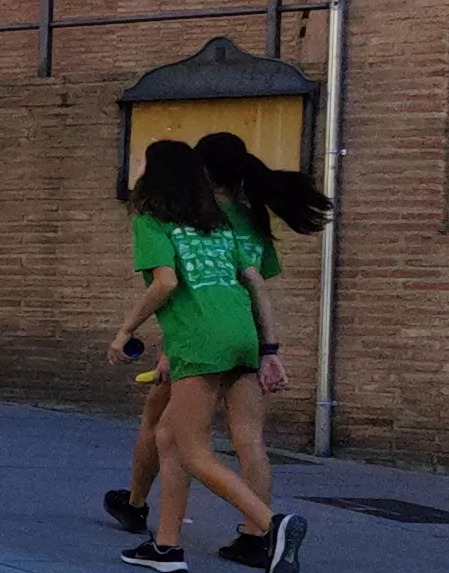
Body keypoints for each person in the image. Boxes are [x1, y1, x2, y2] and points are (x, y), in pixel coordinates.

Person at [105, 132, 324, 538]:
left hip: (197, 337)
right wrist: (269, 348)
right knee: (243, 439)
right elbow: (255, 283)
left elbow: (171, 282)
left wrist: (130, 332)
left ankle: (265, 525)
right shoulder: (245, 218)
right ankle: (231, 540)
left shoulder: (180, 218)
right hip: (245, 335)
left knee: (173, 435)